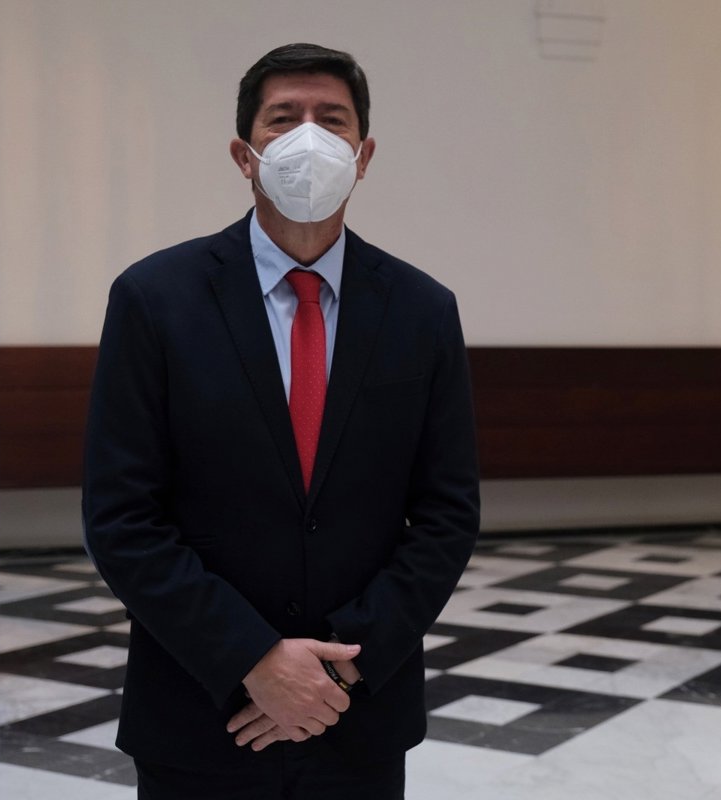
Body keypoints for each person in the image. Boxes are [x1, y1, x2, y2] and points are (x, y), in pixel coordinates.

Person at [83, 43, 480, 799]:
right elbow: (121, 515)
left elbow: (447, 514)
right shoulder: (155, 299)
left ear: (363, 156)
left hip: (356, 716)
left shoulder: (422, 310)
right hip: (202, 710)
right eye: (283, 119)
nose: (308, 137)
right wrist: (253, 659)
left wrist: (338, 669)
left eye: (332, 120)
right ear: (245, 155)